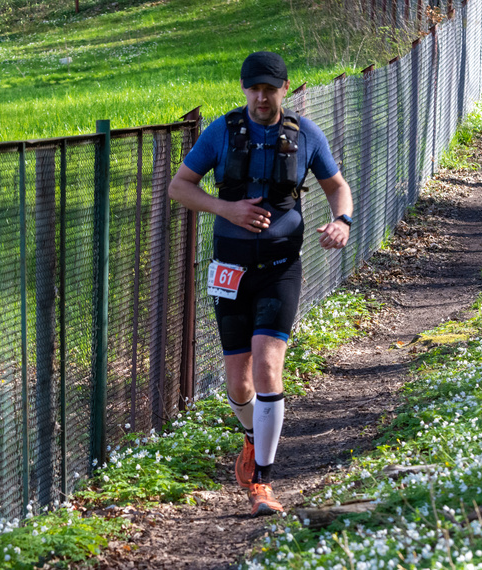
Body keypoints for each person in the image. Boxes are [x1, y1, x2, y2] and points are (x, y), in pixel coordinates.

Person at [169, 51, 353, 516]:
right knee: (238, 382)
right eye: (254, 88)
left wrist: (342, 220)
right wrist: (226, 209)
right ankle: (253, 438)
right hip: (230, 268)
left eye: (270, 89)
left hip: (280, 267)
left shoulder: (305, 134)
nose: (262, 97)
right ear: (244, 88)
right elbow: (179, 187)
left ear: (284, 89)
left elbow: (336, 186)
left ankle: (263, 484)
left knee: (269, 366)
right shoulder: (221, 132)